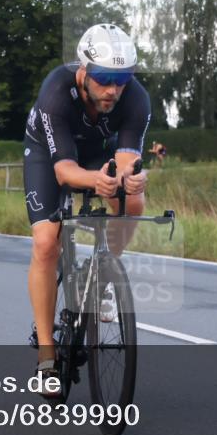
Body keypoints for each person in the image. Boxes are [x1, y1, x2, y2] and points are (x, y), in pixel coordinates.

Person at [23, 24, 150, 396]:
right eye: (103, 79)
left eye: (122, 79)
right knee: (47, 241)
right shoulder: (56, 93)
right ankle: (47, 357)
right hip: (51, 155)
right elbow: (64, 171)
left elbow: (127, 159)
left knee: (134, 201)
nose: (112, 89)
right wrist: (95, 180)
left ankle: (105, 276)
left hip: (96, 152)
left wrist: (130, 179)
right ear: (83, 72)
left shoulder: (135, 99)